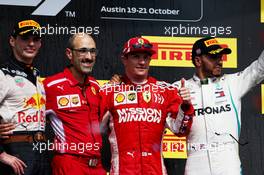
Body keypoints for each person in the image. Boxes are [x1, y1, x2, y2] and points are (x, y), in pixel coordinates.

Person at [99, 37, 194, 175]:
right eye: (136, 56)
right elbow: (93, 129)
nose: (142, 62)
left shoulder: (166, 91)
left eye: (146, 57)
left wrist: (186, 106)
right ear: (124, 59)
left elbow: (180, 130)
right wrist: (107, 90)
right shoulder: (110, 91)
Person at [172, 37, 264, 175]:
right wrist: (183, 107)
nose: (220, 61)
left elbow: (259, 68)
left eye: (220, 56)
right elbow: (175, 127)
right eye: (213, 57)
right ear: (198, 61)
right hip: (196, 160)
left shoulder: (233, 82)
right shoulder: (179, 88)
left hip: (227, 160)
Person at [43, 33, 106, 175]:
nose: (89, 57)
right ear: (69, 54)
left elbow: (107, 120)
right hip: (70, 165)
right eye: (83, 51)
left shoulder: (96, 86)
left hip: (97, 166)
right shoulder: (51, 86)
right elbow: (24, 113)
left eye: (92, 51)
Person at [0, 19, 50, 175]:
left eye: (35, 40)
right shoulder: (3, 74)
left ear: (40, 44)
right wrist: (1, 154)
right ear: (12, 41)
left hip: (41, 151)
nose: (31, 44)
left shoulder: (36, 75)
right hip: (17, 153)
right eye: (25, 38)